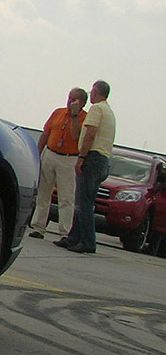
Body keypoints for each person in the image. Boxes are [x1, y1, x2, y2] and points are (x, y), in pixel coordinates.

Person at [56, 80, 116, 254]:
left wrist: (82, 157)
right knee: (85, 199)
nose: (90, 95)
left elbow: (89, 134)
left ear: (96, 93)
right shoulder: (108, 111)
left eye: (92, 92)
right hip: (103, 159)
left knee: (84, 202)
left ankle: (88, 242)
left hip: (93, 158)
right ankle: (74, 237)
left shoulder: (96, 109)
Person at [28, 88, 87, 238]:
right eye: (69, 98)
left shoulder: (84, 118)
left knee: (66, 197)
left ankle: (65, 232)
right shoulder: (58, 112)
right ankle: (38, 226)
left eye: (74, 99)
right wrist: (37, 153)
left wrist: (74, 115)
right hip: (51, 154)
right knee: (43, 193)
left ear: (82, 103)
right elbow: (46, 132)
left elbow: (76, 136)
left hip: (69, 159)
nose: (70, 102)